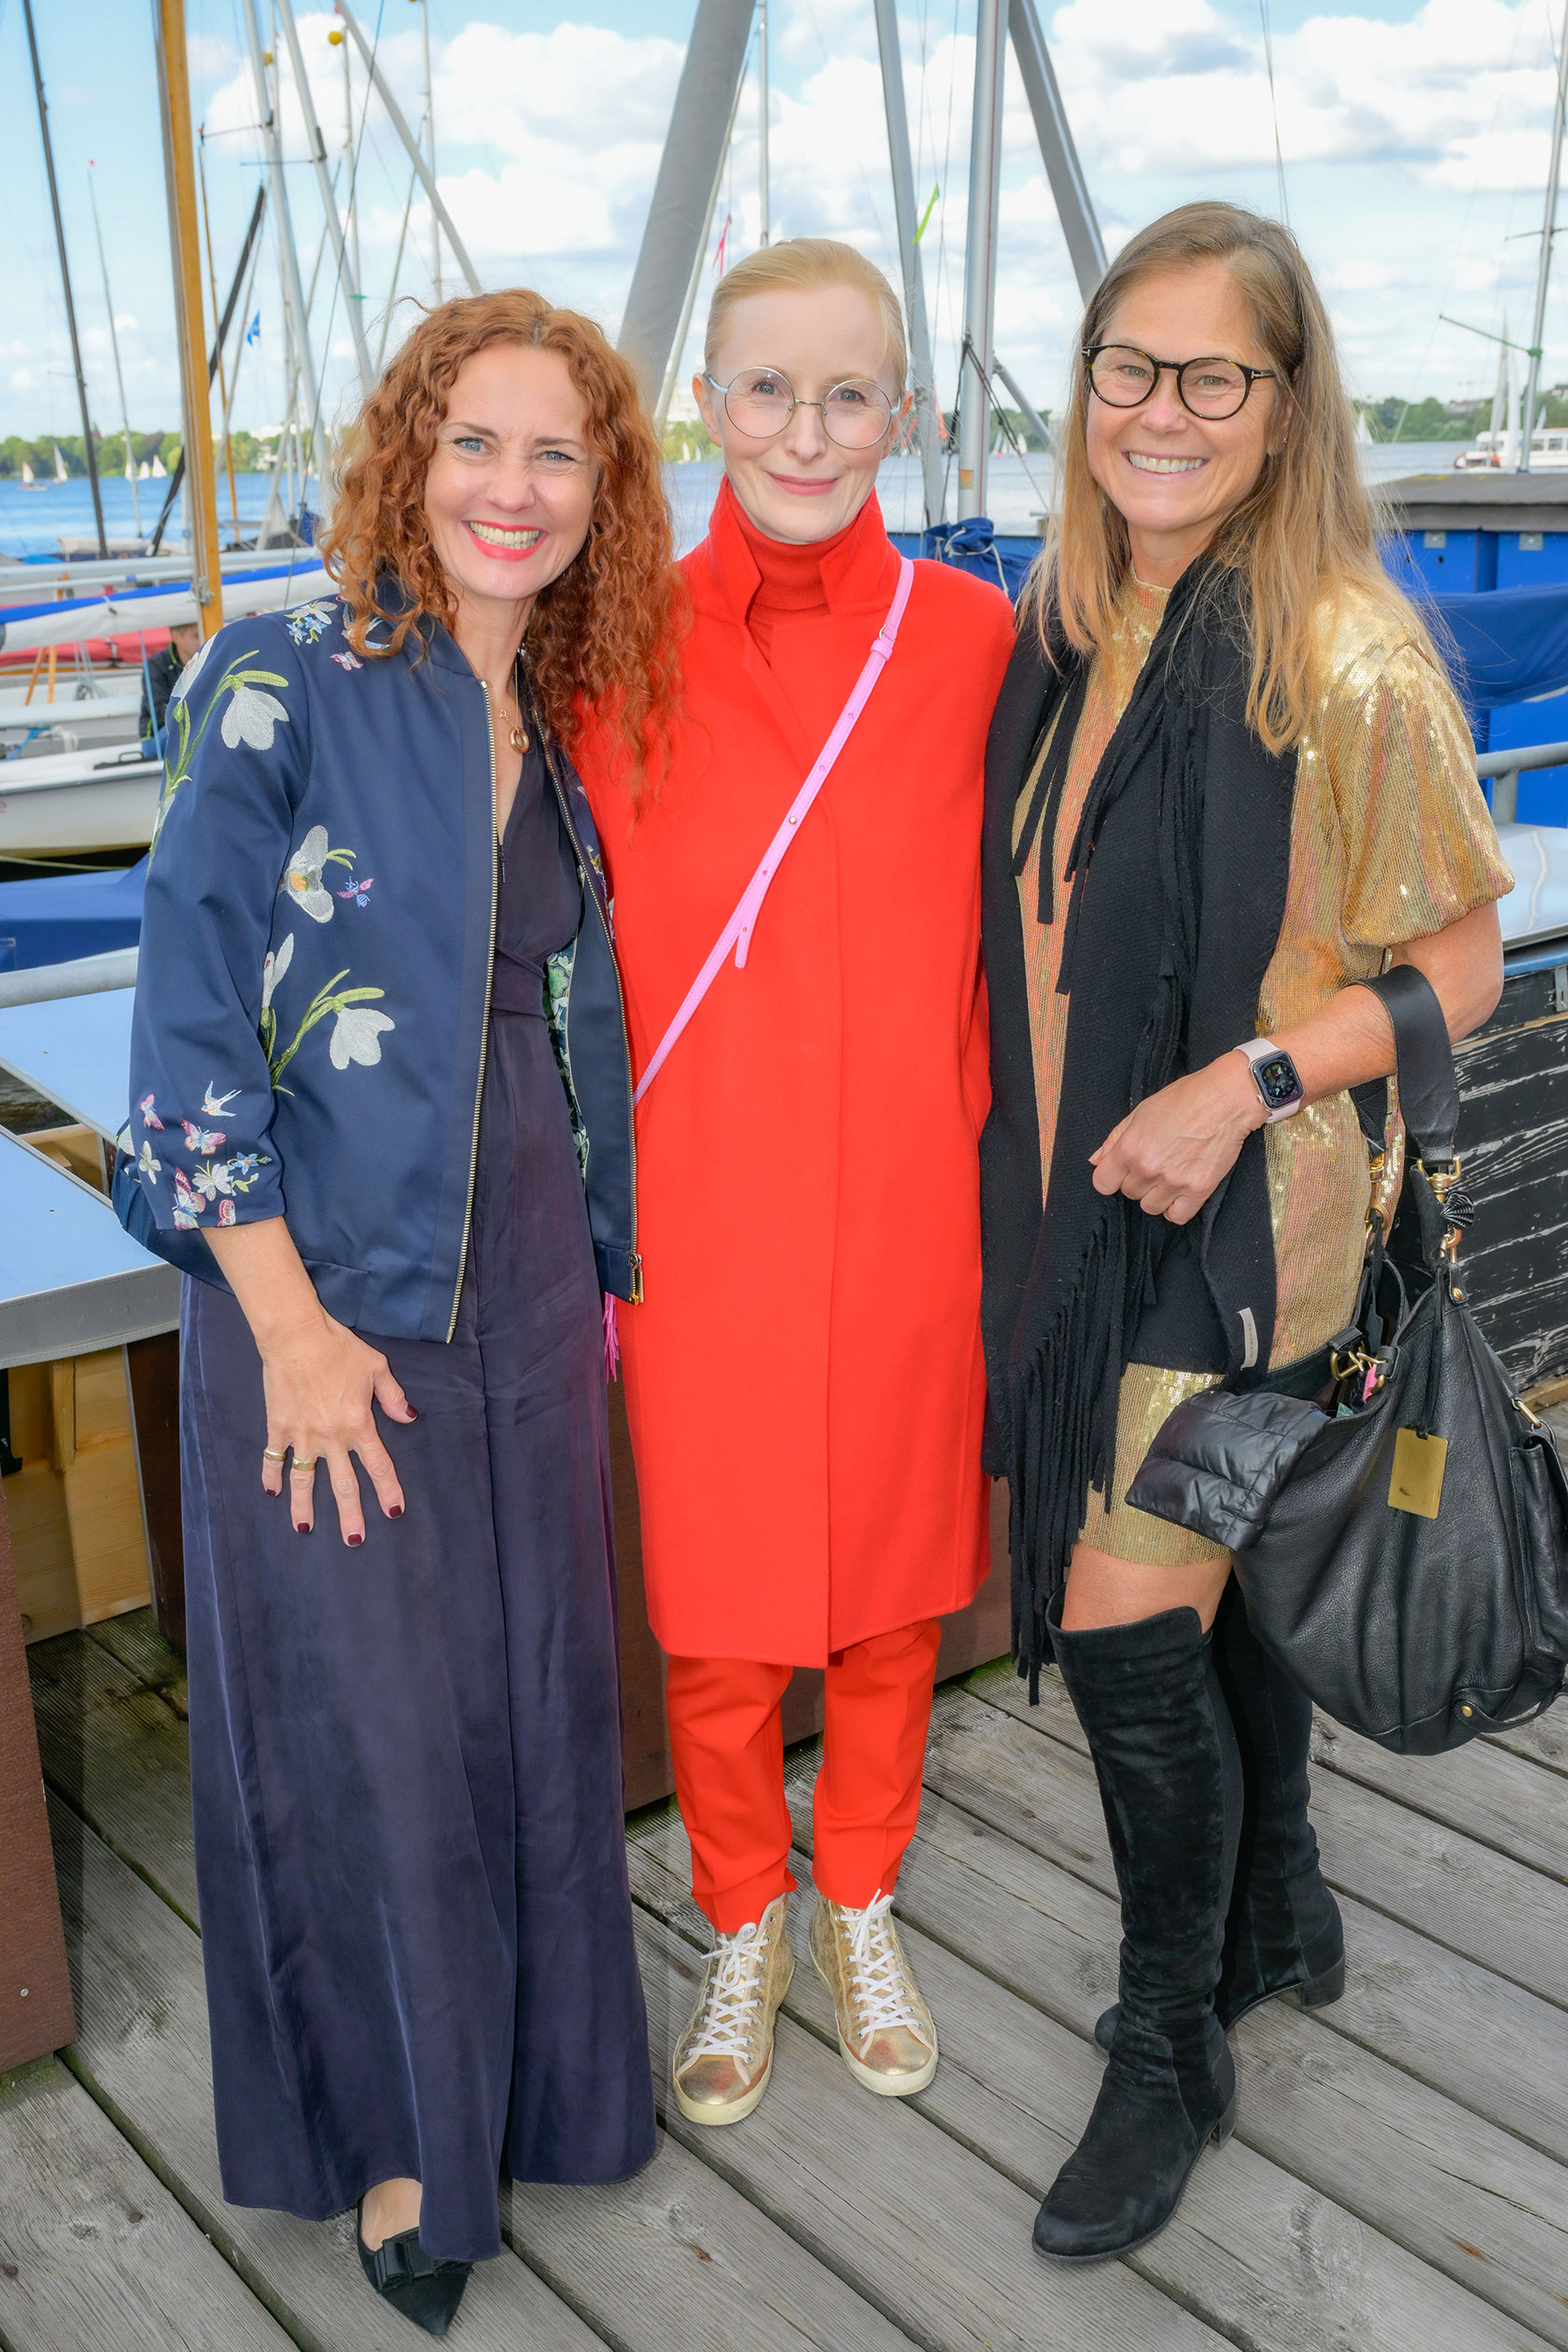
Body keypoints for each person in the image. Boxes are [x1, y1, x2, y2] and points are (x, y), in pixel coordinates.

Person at [117, 290, 682, 2336]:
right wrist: (282, 1324)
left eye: (559, 452)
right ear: (406, 457)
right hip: (328, 1294)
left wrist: (594, 1266)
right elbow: (184, 1028)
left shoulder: (552, 700)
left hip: (521, 1276)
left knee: (525, 1696)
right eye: (476, 442)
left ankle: (529, 2091)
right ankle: (391, 2142)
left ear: (606, 489)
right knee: (363, 1726)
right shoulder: (281, 672)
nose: (513, 488)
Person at [980, 202, 1511, 2265]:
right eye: (1130, 365)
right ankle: (1280, 1902)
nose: (1164, 410)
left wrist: (1244, 1078)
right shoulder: (1073, 624)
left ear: (1287, 409)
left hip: (1250, 1238)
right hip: (1084, 1215)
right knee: (1209, 1598)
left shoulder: (1343, 659)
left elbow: (1461, 971)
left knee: (1126, 1624)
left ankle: (1165, 2047)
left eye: (1218, 374)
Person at [579, 239, 1016, 2127]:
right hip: (701, 1214)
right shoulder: (611, 645)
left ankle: (862, 1896)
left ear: (898, 414)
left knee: (898, 1595)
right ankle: (743, 1913)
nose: (807, 430)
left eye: (848, 393)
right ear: (708, 403)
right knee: (722, 1606)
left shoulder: (981, 644)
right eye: (768, 388)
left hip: (914, 1200)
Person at [139, 610, 201, 738]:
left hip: (193, 727)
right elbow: (159, 711)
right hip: (158, 735)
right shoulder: (155, 665)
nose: (203, 640)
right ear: (176, 637)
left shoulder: (205, 661)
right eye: (196, 636)